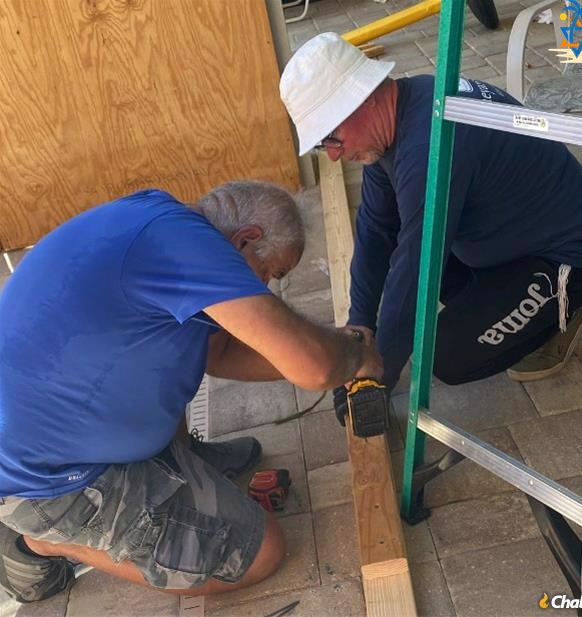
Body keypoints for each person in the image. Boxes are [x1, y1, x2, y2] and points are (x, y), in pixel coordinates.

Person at [0, 181, 382, 603]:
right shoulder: (190, 244)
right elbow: (315, 366)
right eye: (271, 273)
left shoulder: (159, 219)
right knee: (258, 553)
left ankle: (181, 462)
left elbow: (219, 353)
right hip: (46, 479)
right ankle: (48, 542)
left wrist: (334, 350)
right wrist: (352, 357)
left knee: (179, 347)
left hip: (50, 428)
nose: (267, 288)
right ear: (247, 239)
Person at [280, 32, 582, 395]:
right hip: (514, 237)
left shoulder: (428, 147)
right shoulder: (400, 112)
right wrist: (360, 325)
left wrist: (376, 376)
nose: (334, 155)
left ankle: (562, 311)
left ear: (365, 98)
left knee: (448, 357)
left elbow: (417, 269)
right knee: (415, 250)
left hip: (567, 257)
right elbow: (376, 231)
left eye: (332, 137)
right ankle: (519, 303)